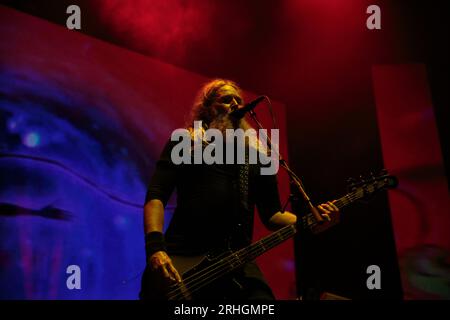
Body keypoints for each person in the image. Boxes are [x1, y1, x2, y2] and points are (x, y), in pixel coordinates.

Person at [139, 79, 339, 300]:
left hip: (238, 262)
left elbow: (272, 215)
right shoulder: (187, 141)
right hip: (184, 259)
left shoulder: (257, 157)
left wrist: (311, 221)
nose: (234, 104)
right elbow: (156, 195)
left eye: (238, 100)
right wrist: (155, 249)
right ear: (207, 108)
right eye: (226, 99)